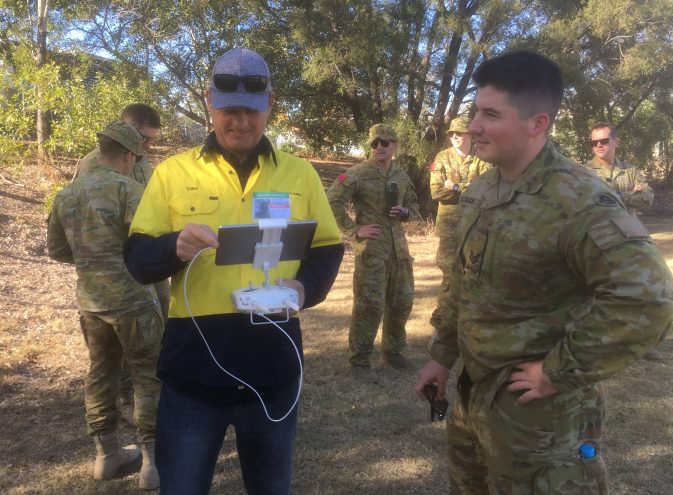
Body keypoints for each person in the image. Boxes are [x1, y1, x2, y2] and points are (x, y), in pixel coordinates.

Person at [415, 50, 673, 494]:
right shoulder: (484, 188)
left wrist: (559, 370)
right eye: (476, 111)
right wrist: (442, 354)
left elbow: (647, 297)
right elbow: (464, 283)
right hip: (474, 392)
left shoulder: (577, 199)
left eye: (490, 114)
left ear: (537, 123)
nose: (474, 126)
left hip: (538, 418)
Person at [123, 47, 344, 495]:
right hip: (193, 372)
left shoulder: (300, 175)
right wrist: (174, 246)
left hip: (274, 368)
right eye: (230, 111)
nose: (240, 122)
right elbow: (138, 259)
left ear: (271, 105)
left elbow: (328, 247)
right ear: (209, 101)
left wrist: (304, 288)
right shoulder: (172, 172)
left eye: (251, 111)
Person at [47, 121, 163, 490]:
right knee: (147, 376)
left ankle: (105, 456)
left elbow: (57, 250)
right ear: (128, 155)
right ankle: (151, 465)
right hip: (133, 301)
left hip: (92, 304)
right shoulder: (128, 190)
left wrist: (92, 258)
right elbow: (149, 243)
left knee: (100, 373)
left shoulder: (65, 195)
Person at [75, 103, 169, 421]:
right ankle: (133, 400)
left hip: (150, 261)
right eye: (144, 139)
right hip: (117, 273)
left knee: (160, 326)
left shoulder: (142, 160)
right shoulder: (91, 165)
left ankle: (156, 389)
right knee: (123, 355)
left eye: (151, 141)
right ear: (126, 127)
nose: (147, 147)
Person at [327, 124, 419, 383]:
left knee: (402, 303)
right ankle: (360, 360)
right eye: (374, 143)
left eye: (385, 142)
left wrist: (405, 212)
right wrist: (354, 229)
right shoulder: (358, 173)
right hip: (373, 252)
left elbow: (413, 205)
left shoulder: (400, 173)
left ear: (395, 145)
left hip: (399, 250)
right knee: (370, 306)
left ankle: (393, 352)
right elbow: (332, 200)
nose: (379, 146)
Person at [585, 122, 665, 361]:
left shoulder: (630, 171)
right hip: (595, 240)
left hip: (628, 239)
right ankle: (596, 344)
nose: (598, 146)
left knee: (639, 291)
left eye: (603, 141)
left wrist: (612, 196)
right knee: (594, 294)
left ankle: (641, 343)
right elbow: (588, 203)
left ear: (615, 142)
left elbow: (648, 198)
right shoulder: (583, 172)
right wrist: (629, 195)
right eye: (593, 142)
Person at [429, 116, 490, 329]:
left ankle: (465, 318)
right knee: (448, 271)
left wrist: (454, 187)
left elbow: (486, 192)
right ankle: (442, 318)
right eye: (452, 133)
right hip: (449, 226)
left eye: (459, 133)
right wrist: (468, 188)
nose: (455, 136)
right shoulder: (442, 157)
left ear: (470, 135)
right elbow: (436, 191)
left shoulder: (482, 159)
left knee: (472, 270)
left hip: (475, 226)